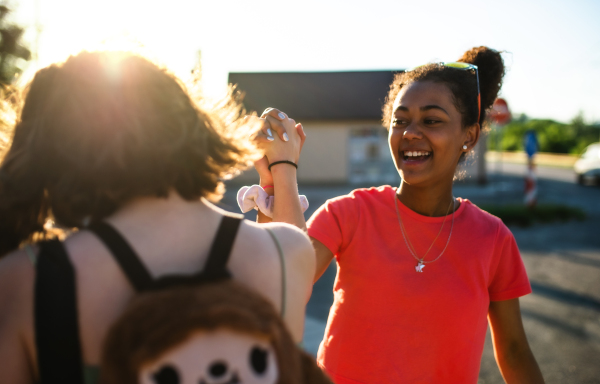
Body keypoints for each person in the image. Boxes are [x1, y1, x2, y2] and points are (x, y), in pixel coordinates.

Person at [0, 51, 315, 384]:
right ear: (189, 124)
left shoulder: (27, 280)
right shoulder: (287, 252)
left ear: (54, 150)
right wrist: (283, 170)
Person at [254, 47, 544, 383]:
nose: (410, 133)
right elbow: (281, 283)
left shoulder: (492, 238)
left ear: (470, 136)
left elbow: (514, 352)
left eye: (431, 120)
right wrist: (280, 172)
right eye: (400, 120)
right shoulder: (350, 213)